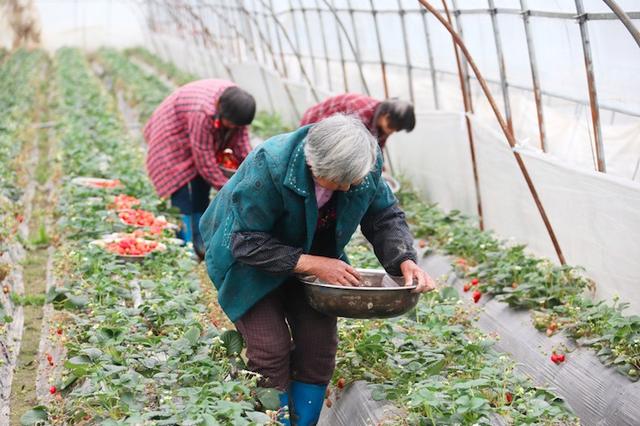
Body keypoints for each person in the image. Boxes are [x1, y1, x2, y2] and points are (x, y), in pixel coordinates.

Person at [199, 114, 435, 425]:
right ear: (312, 164)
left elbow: (383, 216)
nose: (348, 186)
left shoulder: (362, 164)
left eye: (353, 181)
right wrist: (314, 263)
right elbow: (244, 240)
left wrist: (404, 259)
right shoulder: (271, 164)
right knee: (271, 351)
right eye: (338, 182)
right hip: (250, 262)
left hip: (315, 259)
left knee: (319, 349)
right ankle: (272, 419)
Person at [144, 79, 256, 258]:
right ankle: (184, 245)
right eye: (231, 124)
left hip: (194, 130)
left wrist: (253, 172)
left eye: (237, 126)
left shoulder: (236, 109)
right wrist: (228, 187)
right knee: (181, 191)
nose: (234, 128)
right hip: (172, 133)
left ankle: (200, 240)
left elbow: (242, 147)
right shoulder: (202, 112)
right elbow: (204, 160)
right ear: (220, 108)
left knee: (201, 189)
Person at [300, 93, 415, 150]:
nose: (393, 131)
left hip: (334, 133)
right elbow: (351, 148)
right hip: (314, 123)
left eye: (397, 129)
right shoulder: (360, 111)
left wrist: (381, 170)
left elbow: (377, 149)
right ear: (386, 115)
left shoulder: (383, 125)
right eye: (393, 127)